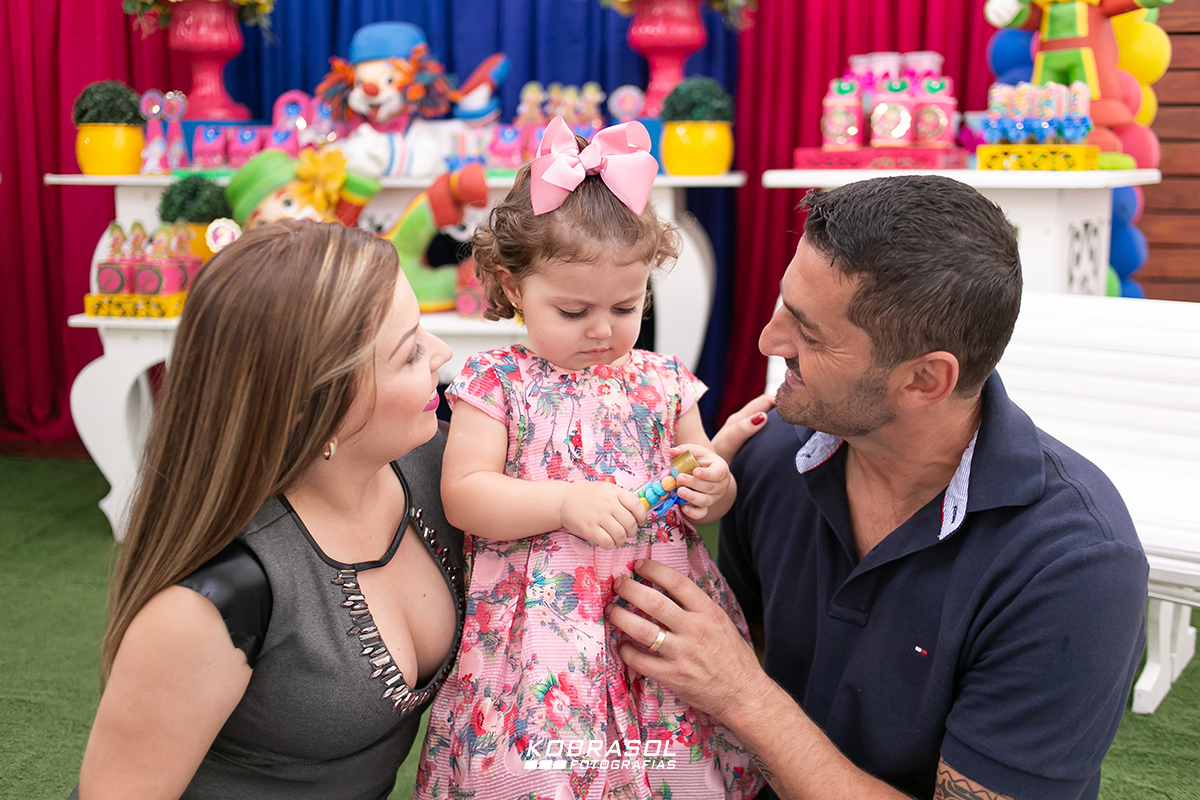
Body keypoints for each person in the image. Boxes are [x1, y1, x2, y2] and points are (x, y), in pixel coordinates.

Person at [607, 176, 1149, 800]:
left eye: (809, 333)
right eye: (784, 303)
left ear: (924, 380)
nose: (768, 340)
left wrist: (740, 694)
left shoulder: (1076, 565)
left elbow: (738, 681)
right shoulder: (772, 455)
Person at [414, 117, 763, 800]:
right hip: (543, 626)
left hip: (652, 607)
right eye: (573, 311)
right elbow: (465, 493)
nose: (603, 330)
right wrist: (563, 502)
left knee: (663, 751)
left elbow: (696, 478)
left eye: (626, 306)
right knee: (551, 763)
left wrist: (713, 485)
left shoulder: (663, 381)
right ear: (514, 289)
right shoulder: (497, 382)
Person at [75, 219, 464, 800]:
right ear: (311, 413)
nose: (441, 353)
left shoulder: (442, 461)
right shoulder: (212, 600)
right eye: (409, 354)